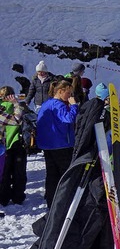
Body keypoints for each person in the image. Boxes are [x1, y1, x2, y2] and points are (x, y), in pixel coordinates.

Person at [36, 79, 78, 207]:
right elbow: (69, 118)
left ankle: (51, 200)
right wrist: (74, 106)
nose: (70, 96)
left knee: (52, 174)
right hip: (61, 144)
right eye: (68, 93)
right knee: (64, 175)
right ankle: (64, 201)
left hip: (48, 145)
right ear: (60, 92)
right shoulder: (58, 105)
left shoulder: (46, 104)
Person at [0, 87, 25, 206]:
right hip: (13, 143)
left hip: (5, 145)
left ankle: (3, 197)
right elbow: (17, 120)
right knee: (17, 173)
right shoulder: (7, 110)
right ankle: (17, 197)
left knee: (4, 174)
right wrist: (16, 104)